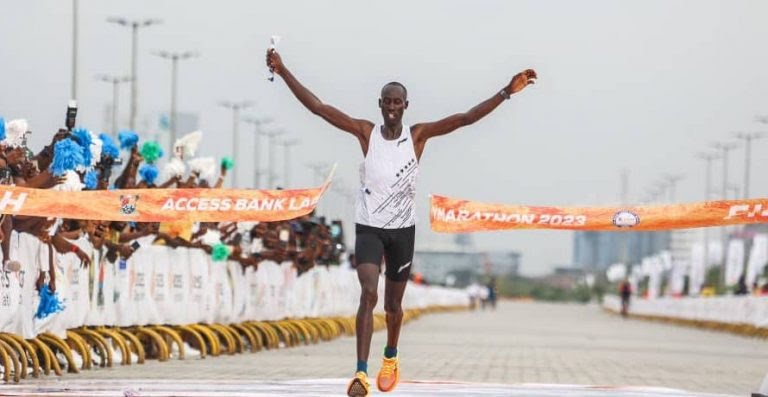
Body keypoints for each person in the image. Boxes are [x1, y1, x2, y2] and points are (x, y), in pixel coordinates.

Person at [266, 48, 536, 397]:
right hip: (369, 227)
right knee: (368, 293)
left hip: (402, 232)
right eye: (387, 101)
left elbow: (466, 118)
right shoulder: (366, 134)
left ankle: (390, 355)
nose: (392, 106)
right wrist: (284, 69)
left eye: (398, 102)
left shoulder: (418, 136)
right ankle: (360, 374)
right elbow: (319, 108)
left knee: (393, 306)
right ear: (380, 104)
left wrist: (505, 92)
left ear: (406, 106)